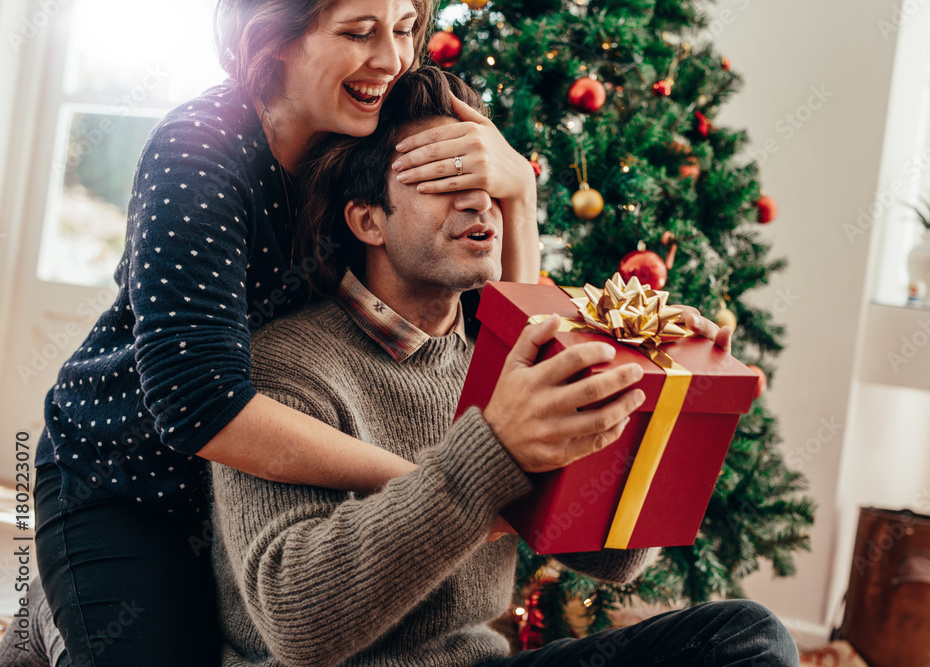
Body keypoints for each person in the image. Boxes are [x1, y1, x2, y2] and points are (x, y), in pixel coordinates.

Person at [211, 66, 797, 667]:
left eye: (488, 179)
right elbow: (294, 624)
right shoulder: (285, 366)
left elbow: (616, 560)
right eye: (444, 178)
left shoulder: (502, 355)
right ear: (368, 219)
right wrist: (490, 449)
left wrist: (662, 387)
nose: (477, 201)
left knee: (745, 638)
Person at [30, 1, 548, 664]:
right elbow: (199, 405)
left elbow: (493, 330)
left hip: (257, 491)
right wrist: (440, 484)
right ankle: (50, 619)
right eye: (360, 31)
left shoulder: (368, 132)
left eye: (406, 29)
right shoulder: (199, 151)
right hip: (129, 484)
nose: (391, 60)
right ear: (271, 39)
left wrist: (519, 199)